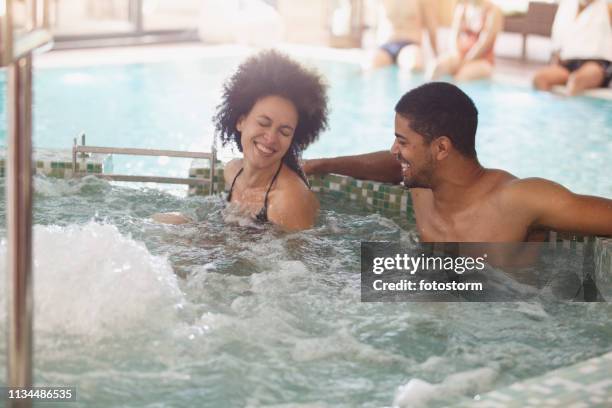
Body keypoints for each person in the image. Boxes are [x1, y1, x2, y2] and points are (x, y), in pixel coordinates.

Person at [303, 82, 612, 242]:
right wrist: (321, 165)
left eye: (403, 141)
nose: (395, 150)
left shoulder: (518, 200)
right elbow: (389, 164)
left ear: (441, 148)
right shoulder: (423, 186)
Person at [154, 50, 329, 231]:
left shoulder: (288, 200)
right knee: (167, 221)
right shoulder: (232, 171)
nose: (270, 138)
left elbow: (295, 259)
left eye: (284, 132)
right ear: (240, 122)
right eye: (263, 123)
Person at [533, 0, 612, 96]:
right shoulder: (568, 5)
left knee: (576, 80)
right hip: (568, 63)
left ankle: (568, 107)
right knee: (540, 78)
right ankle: (550, 108)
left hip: (597, 64)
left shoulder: (607, 6)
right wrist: (556, 59)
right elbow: (559, 37)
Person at [429, 0, 503, 81]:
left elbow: (486, 41)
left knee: (462, 76)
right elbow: (454, 36)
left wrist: (466, 60)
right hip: (460, 56)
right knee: (436, 67)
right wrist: (458, 57)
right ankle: (428, 92)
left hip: (482, 60)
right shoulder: (463, 8)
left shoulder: (494, 10)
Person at [370, 0, 438, 71]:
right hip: (387, 45)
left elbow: (431, 28)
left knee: (414, 65)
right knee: (371, 65)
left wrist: (436, 55)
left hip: (409, 44)